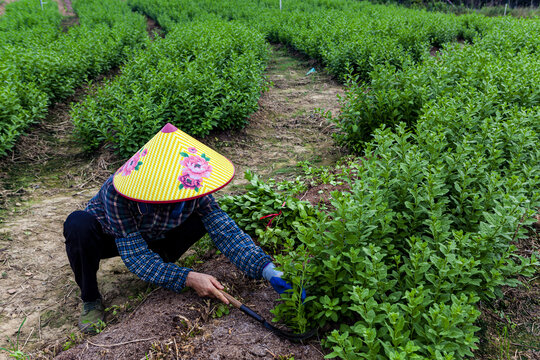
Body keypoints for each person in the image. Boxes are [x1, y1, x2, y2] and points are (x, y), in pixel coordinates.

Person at [63, 123, 293, 334]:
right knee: (78, 224)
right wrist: (188, 277)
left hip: (156, 236)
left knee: (206, 220)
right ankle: (90, 298)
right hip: (112, 236)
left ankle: (161, 268)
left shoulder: (194, 189)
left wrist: (267, 269)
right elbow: (135, 257)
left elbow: (227, 233)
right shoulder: (117, 193)